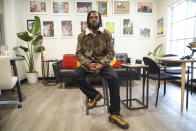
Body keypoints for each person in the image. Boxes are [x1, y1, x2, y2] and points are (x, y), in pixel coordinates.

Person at [72, 10, 129, 129]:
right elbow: (78, 53)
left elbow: (111, 52)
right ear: (88, 20)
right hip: (87, 64)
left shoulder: (106, 34)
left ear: (99, 20)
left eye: (96, 17)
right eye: (91, 17)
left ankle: (114, 113)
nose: (93, 19)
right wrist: (88, 64)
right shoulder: (82, 35)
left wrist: (102, 64)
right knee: (76, 75)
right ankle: (95, 95)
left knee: (114, 78)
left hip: (103, 63)